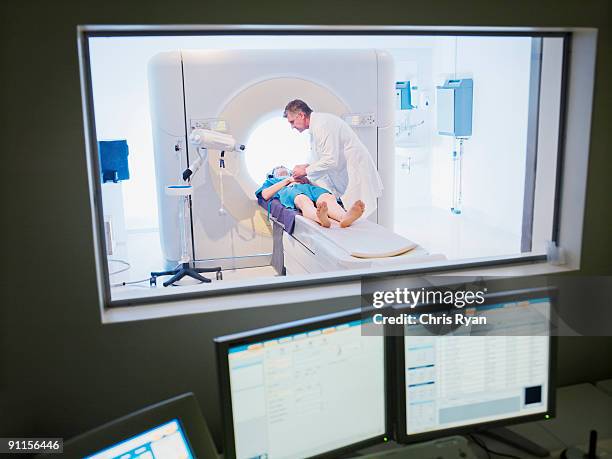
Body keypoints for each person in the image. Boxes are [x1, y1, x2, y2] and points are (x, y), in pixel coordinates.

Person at [283, 99, 383, 218]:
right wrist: (306, 166)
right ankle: (344, 220)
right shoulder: (315, 128)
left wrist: (305, 171)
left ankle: (347, 222)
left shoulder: (322, 125)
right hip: (344, 172)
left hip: (355, 168)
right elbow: (318, 155)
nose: (292, 127)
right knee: (351, 211)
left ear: (301, 115)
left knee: (358, 210)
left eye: (292, 122)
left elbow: (331, 160)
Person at [255, 166, 365, 228]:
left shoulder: (299, 178)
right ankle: (321, 218)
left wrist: (308, 181)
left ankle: (344, 217)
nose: (281, 167)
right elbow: (265, 195)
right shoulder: (272, 181)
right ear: (273, 174)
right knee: (303, 200)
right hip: (290, 189)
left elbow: (316, 186)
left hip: (308, 187)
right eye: (278, 170)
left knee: (327, 197)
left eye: (284, 168)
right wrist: (287, 180)